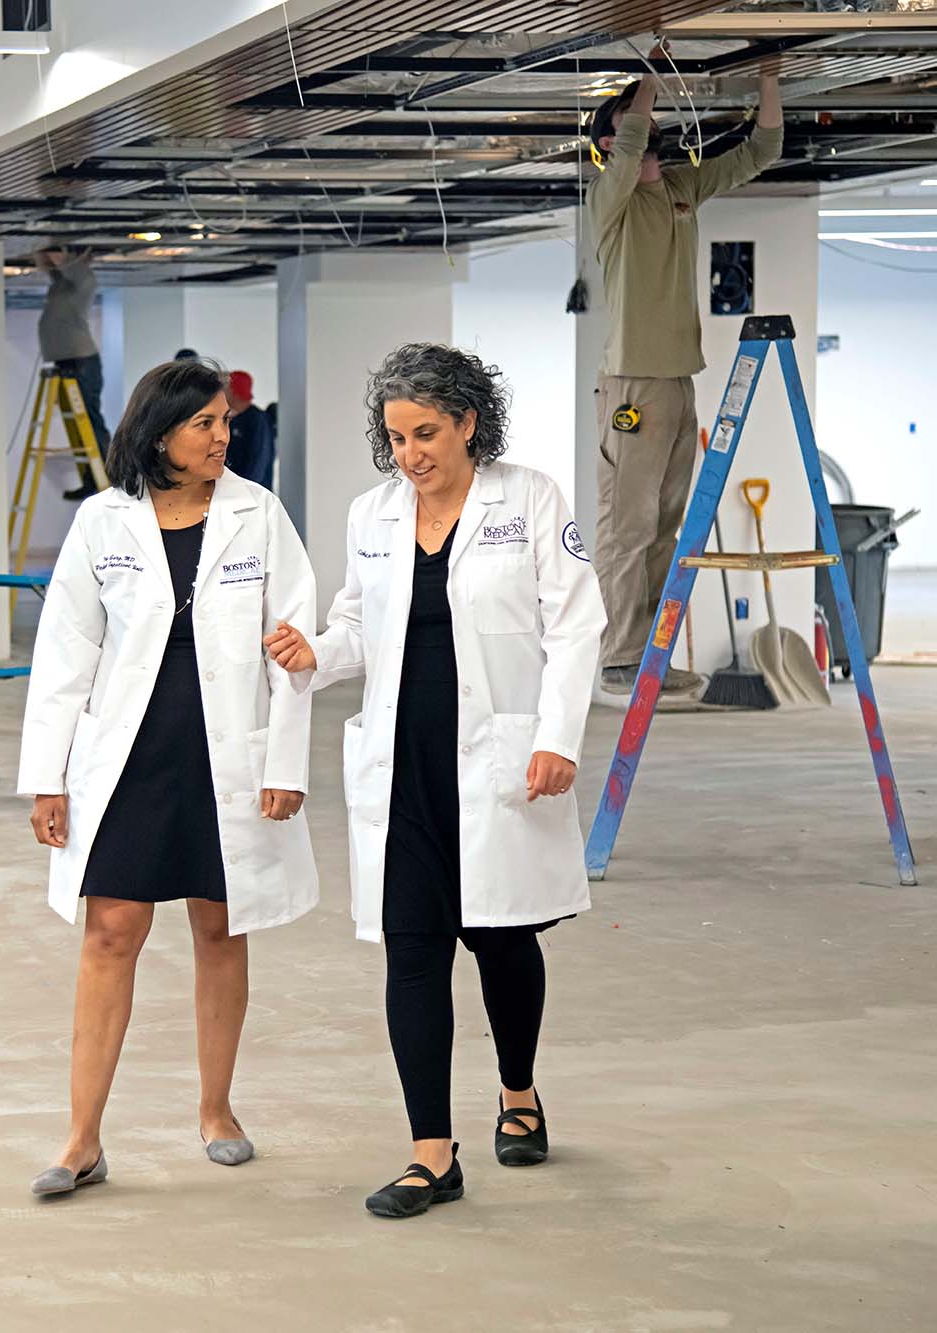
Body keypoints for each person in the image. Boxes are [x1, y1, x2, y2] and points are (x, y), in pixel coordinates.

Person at [264, 343, 605, 1219]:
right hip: (403, 769)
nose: (410, 453)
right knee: (413, 954)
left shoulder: (527, 500)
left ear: (467, 423)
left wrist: (561, 735)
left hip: (498, 762)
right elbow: (354, 624)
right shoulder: (372, 515)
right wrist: (317, 652)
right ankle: (431, 1155)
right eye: (396, 437)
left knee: (500, 937)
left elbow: (574, 626)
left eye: (426, 433)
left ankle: (519, 1090)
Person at [18, 358, 319, 1198]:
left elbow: (294, 649)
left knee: (221, 928)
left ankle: (217, 1109)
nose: (225, 436)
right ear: (159, 436)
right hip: (129, 756)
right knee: (110, 930)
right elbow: (65, 654)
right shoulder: (102, 522)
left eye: (226, 422)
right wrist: (49, 777)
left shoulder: (258, 515)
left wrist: (285, 763)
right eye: (206, 425)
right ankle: (81, 1139)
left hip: (227, 751)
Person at [584, 52, 783, 697]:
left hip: (677, 381)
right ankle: (619, 657)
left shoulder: (677, 191)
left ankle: (650, 658)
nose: (653, 140)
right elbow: (633, 129)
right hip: (632, 387)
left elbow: (760, 152)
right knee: (628, 527)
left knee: (665, 529)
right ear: (613, 146)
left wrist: (769, 82)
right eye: (636, 133)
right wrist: (651, 67)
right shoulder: (609, 200)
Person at [35, 246, 113, 501]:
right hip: (67, 361)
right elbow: (49, 264)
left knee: (90, 421)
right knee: (81, 429)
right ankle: (91, 478)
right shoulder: (63, 284)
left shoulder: (85, 279)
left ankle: (110, 475)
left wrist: (63, 254)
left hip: (81, 361)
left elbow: (64, 263)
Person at [224, 370, 276, 491]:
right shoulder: (232, 420)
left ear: (233, 391)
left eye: (226, 388)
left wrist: (241, 492)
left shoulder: (258, 420)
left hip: (252, 497)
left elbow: (257, 466)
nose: (223, 392)